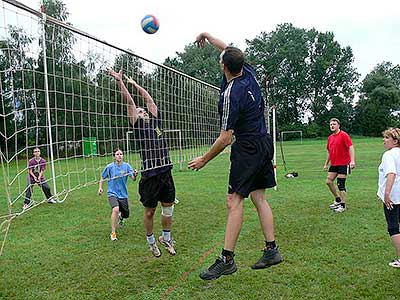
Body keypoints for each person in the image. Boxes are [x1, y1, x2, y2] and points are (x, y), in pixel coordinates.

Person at [188, 32, 283, 280]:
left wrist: (204, 159)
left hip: (248, 147)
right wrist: (208, 36)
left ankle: (227, 259)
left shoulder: (232, 93)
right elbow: (227, 48)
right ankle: (271, 250)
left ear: (224, 67)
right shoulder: (247, 71)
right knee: (259, 197)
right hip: (263, 141)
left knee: (234, 201)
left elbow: (226, 137)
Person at [110, 69, 177, 257]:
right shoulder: (138, 127)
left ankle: (166, 237)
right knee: (149, 212)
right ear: (136, 116)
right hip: (150, 174)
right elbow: (130, 103)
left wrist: (135, 84)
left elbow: (149, 100)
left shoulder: (156, 122)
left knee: (168, 208)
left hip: (166, 171)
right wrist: (121, 82)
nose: (143, 111)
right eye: (140, 112)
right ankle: (151, 241)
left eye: (144, 111)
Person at [98, 148, 137, 241]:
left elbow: (133, 178)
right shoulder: (109, 167)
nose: (119, 156)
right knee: (115, 209)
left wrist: (135, 174)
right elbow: (102, 177)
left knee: (126, 214)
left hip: (123, 194)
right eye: (117, 154)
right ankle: (113, 233)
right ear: (114, 157)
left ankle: (122, 217)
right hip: (112, 193)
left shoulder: (127, 166)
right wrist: (100, 187)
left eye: (121, 154)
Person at [377, 127, 400, 268]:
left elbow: (391, 173)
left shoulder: (389, 155)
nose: (384, 141)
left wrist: (386, 194)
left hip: (393, 197)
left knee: (393, 227)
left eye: (387, 138)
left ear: (395, 141)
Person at [323, 118, 356, 212]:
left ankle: (343, 205)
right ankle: (337, 199)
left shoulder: (344, 135)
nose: (332, 126)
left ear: (338, 125)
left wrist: (352, 161)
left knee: (340, 184)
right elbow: (329, 152)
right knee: (328, 181)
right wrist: (326, 164)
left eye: (334, 124)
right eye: (330, 124)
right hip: (334, 163)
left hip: (344, 163)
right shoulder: (330, 138)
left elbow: (351, 147)